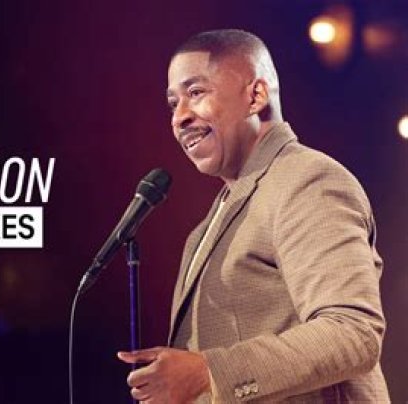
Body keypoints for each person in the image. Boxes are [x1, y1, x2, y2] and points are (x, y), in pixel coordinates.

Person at [117, 29, 389, 403]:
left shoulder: (306, 180)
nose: (179, 117)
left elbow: (352, 333)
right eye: (173, 103)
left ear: (256, 96)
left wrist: (207, 372)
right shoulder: (207, 227)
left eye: (196, 93)